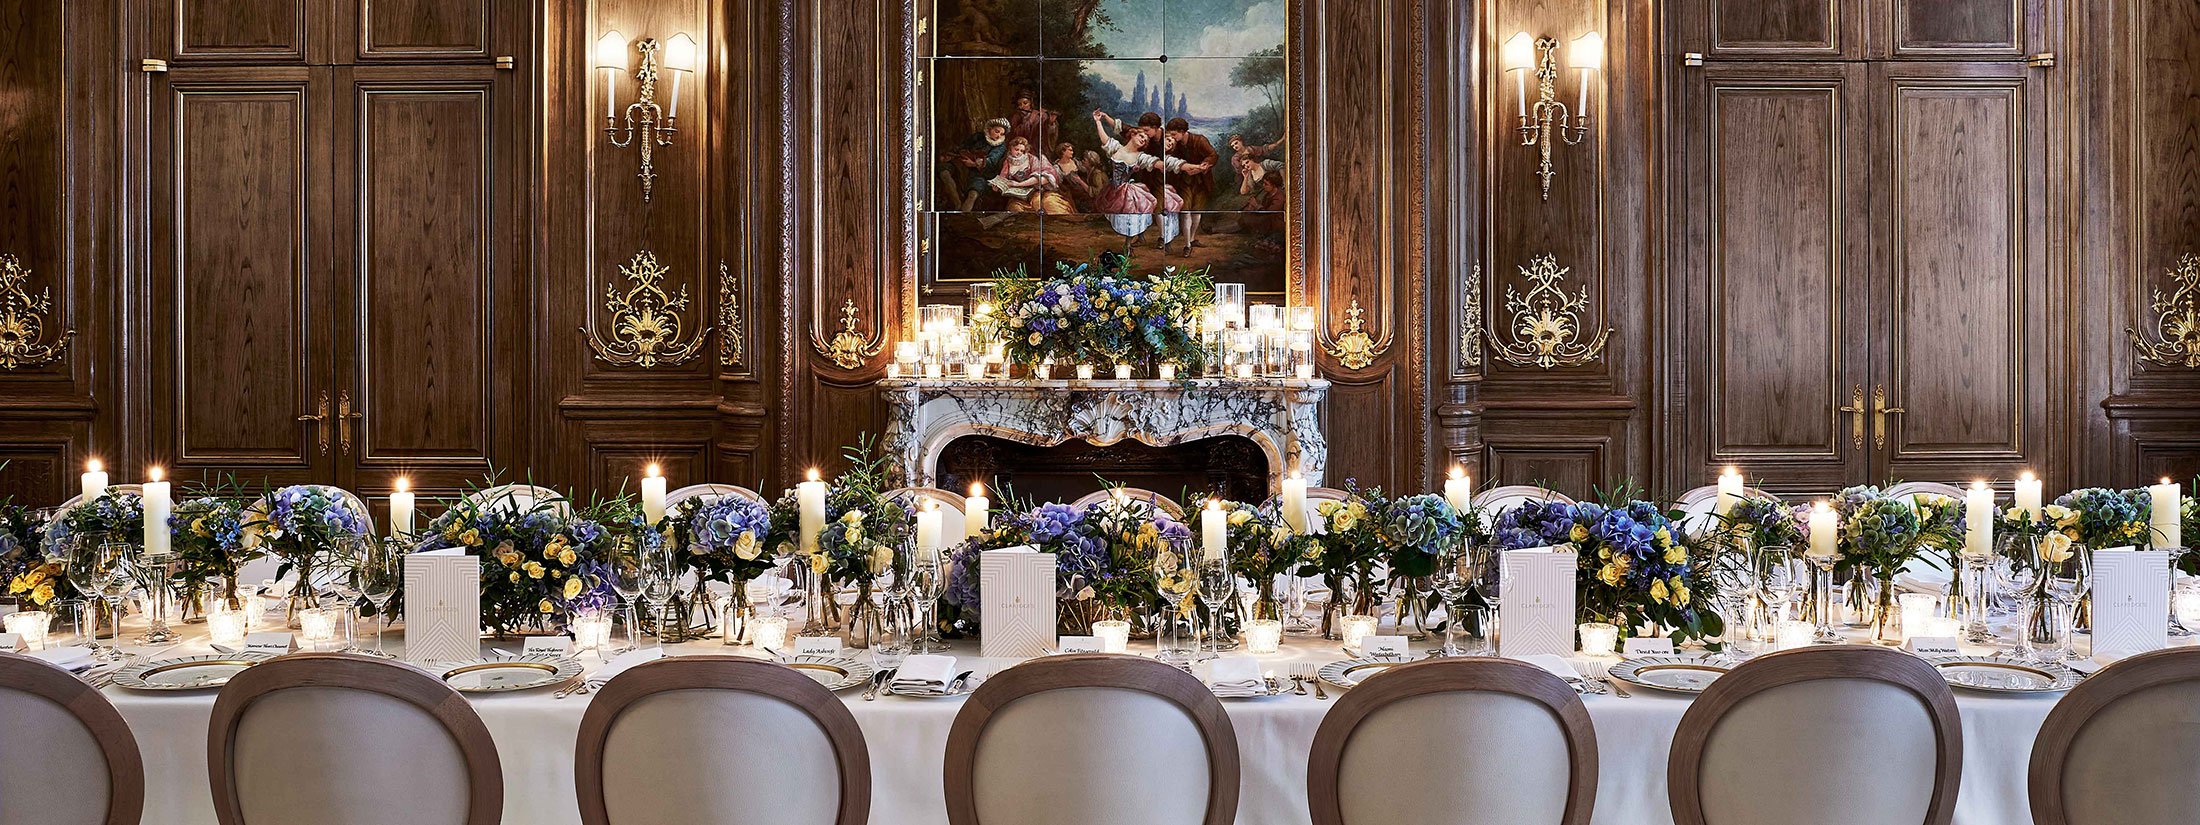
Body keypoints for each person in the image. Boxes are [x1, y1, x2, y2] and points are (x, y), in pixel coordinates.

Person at [1090, 110, 1210, 246]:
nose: (1144, 138)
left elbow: (1169, 163)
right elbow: (1107, 137)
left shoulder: (1142, 155)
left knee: (1136, 214)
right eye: (1141, 135)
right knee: (1121, 217)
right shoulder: (1117, 148)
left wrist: (1195, 167)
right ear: (1133, 134)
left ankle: (1135, 243)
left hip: (1133, 189)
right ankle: (1138, 238)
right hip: (1114, 190)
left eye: (1145, 139)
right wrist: (1099, 121)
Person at [1164, 117, 1218, 253]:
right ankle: (1187, 245)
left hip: (1201, 181)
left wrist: (1205, 164)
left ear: (1182, 132)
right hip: (1183, 182)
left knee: (1196, 212)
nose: (1172, 138)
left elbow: (1213, 155)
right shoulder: (1174, 145)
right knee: (1185, 211)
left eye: (1174, 134)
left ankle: (1192, 238)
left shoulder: (1200, 140)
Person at [987, 136, 1073, 215]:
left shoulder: (1032, 159)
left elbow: (1039, 178)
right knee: (1015, 208)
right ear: (1011, 149)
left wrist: (1019, 184)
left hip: (1036, 191)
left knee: (1040, 204)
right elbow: (1003, 177)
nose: (1019, 153)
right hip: (1019, 195)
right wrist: (998, 186)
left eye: (1022, 151)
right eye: (1016, 149)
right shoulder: (1007, 161)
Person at [947, 118, 1013, 211]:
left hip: (982, 173)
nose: (999, 135)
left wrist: (974, 164)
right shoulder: (978, 137)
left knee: (973, 194)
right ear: (990, 128)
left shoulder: (1000, 146)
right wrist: (954, 154)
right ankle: (957, 203)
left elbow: (991, 161)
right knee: (944, 171)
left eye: (1002, 134)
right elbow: (963, 146)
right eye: (997, 131)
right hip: (962, 165)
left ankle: (963, 215)